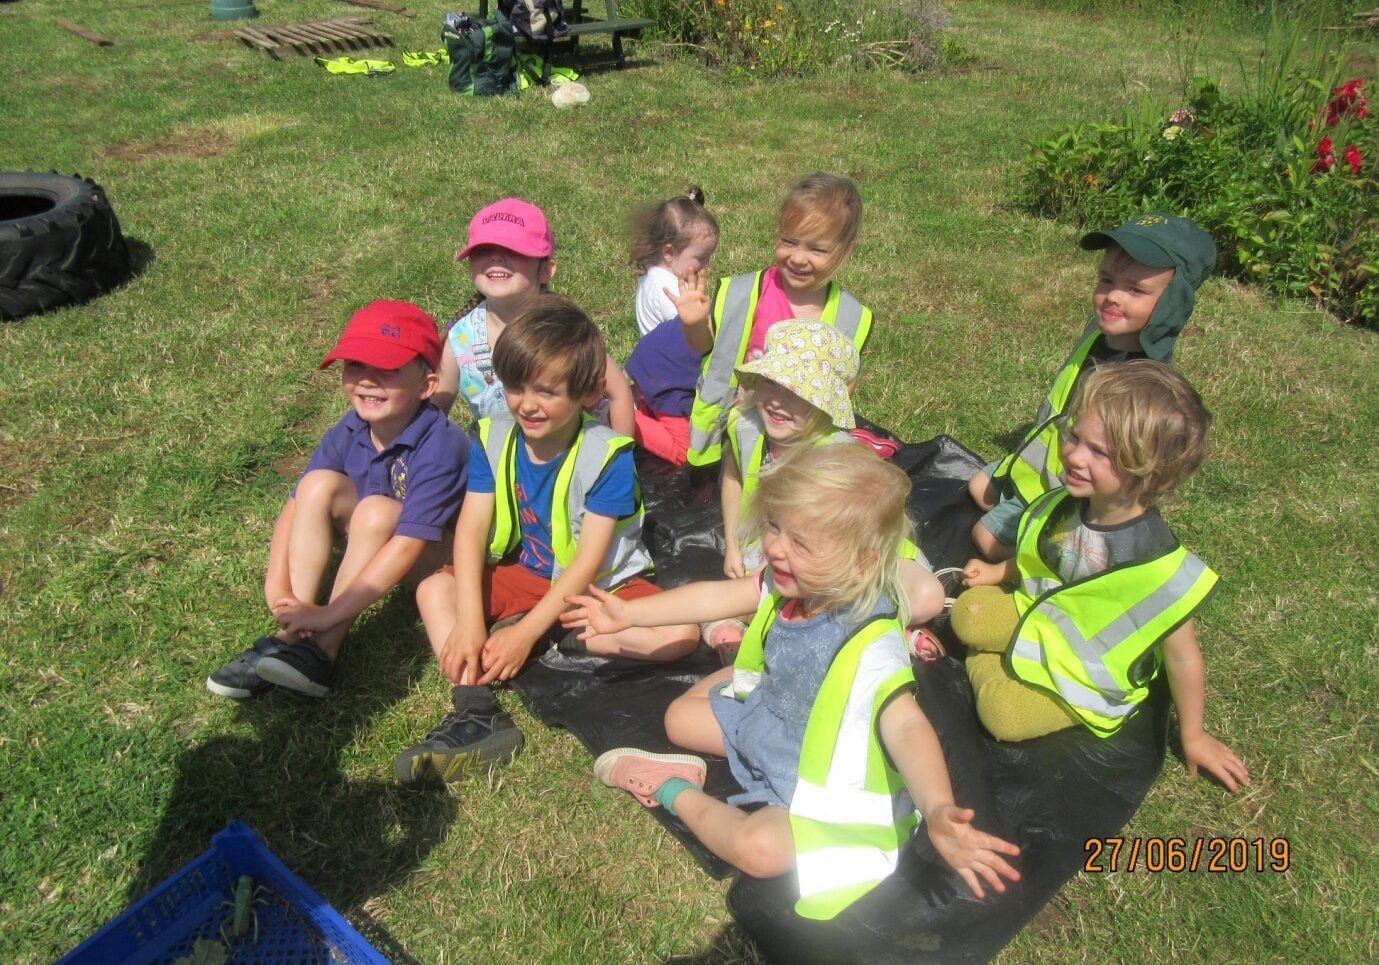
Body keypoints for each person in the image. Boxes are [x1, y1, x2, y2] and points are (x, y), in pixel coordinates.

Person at [563, 445, 1020, 920]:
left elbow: (906, 726)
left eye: (801, 543)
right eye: (775, 527)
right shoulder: (791, 585)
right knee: (678, 719)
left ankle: (674, 789)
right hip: (773, 719)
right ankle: (735, 678)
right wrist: (629, 612)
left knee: (758, 850)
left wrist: (939, 807)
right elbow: (714, 597)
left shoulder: (869, 641)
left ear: (860, 563)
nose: (776, 547)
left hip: (819, 774)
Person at [397, 295, 700, 788]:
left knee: (683, 632)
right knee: (435, 590)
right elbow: (471, 529)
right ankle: (476, 709)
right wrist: (472, 619)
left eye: (546, 391)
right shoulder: (494, 436)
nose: (526, 404)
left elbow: (587, 561)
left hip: (600, 584)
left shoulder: (607, 455)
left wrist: (525, 632)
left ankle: (576, 635)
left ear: (586, 393)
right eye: (515, 386)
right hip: (531, 574)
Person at [953, 362, 1250, 792]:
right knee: (969, 613)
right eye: (1075, 437)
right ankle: (994, 657)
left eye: (1099, 452)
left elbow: (1183, 656)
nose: (1073, 456)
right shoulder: (1068, 504)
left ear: (1147, 470)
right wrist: (1000, 570)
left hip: (1081, 676)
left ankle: (988, 663)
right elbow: (1042, 558)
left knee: (1002, 716)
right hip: (1036, 616)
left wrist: (1193, 736)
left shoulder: (1155, 568)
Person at [206, 300, 469, 699]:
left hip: (436, 561)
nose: (366, 380)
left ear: (427, 384)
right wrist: (278, 591)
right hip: (377, 536)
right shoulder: (349, 427)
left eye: (387, 369)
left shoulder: (441, 444)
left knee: (376, 510)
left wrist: (330, 612)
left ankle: (320, 650)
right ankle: (291, 627)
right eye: (356, 366)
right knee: (316, 484)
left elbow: (408, 545)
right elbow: (295, 506)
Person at [968, 211, 1217, 561]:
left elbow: (1124, 478)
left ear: (1172, 304)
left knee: (985, 539)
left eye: (1136, 289)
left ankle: (1047, 556)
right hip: (1037, 465)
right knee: (976, 487)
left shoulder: (1143, 387)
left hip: (1068, 489)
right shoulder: (1104, 331)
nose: (1112, 297)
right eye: (1106, 280)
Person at [678, 173, 872, 467]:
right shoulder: (744, 294)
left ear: (847, 250)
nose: (798, 258)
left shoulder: (850, 317)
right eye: (789, 241)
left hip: (797, 444)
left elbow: (845, 385)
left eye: (817, 249)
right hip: (734, 430)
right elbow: (706, 349)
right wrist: (693, 323)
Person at [434, 197, 635, 435]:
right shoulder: (460, 339)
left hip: (576, 457)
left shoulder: (563, 327)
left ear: (546, 271)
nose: (496, 258)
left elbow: (618, 392)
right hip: (504, 464)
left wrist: (621, 457)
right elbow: (435, 415)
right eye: (483, 250)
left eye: (512, 250)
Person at [624, 189, 720, 465]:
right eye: (701, 258)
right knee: (685, 452)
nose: (707, 265)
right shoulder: (668, 289)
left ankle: (637, 409)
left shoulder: (655, 276)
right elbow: (686, 335)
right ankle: (621, 415)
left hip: (657, 372)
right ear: (669, 252)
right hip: (668, 377)